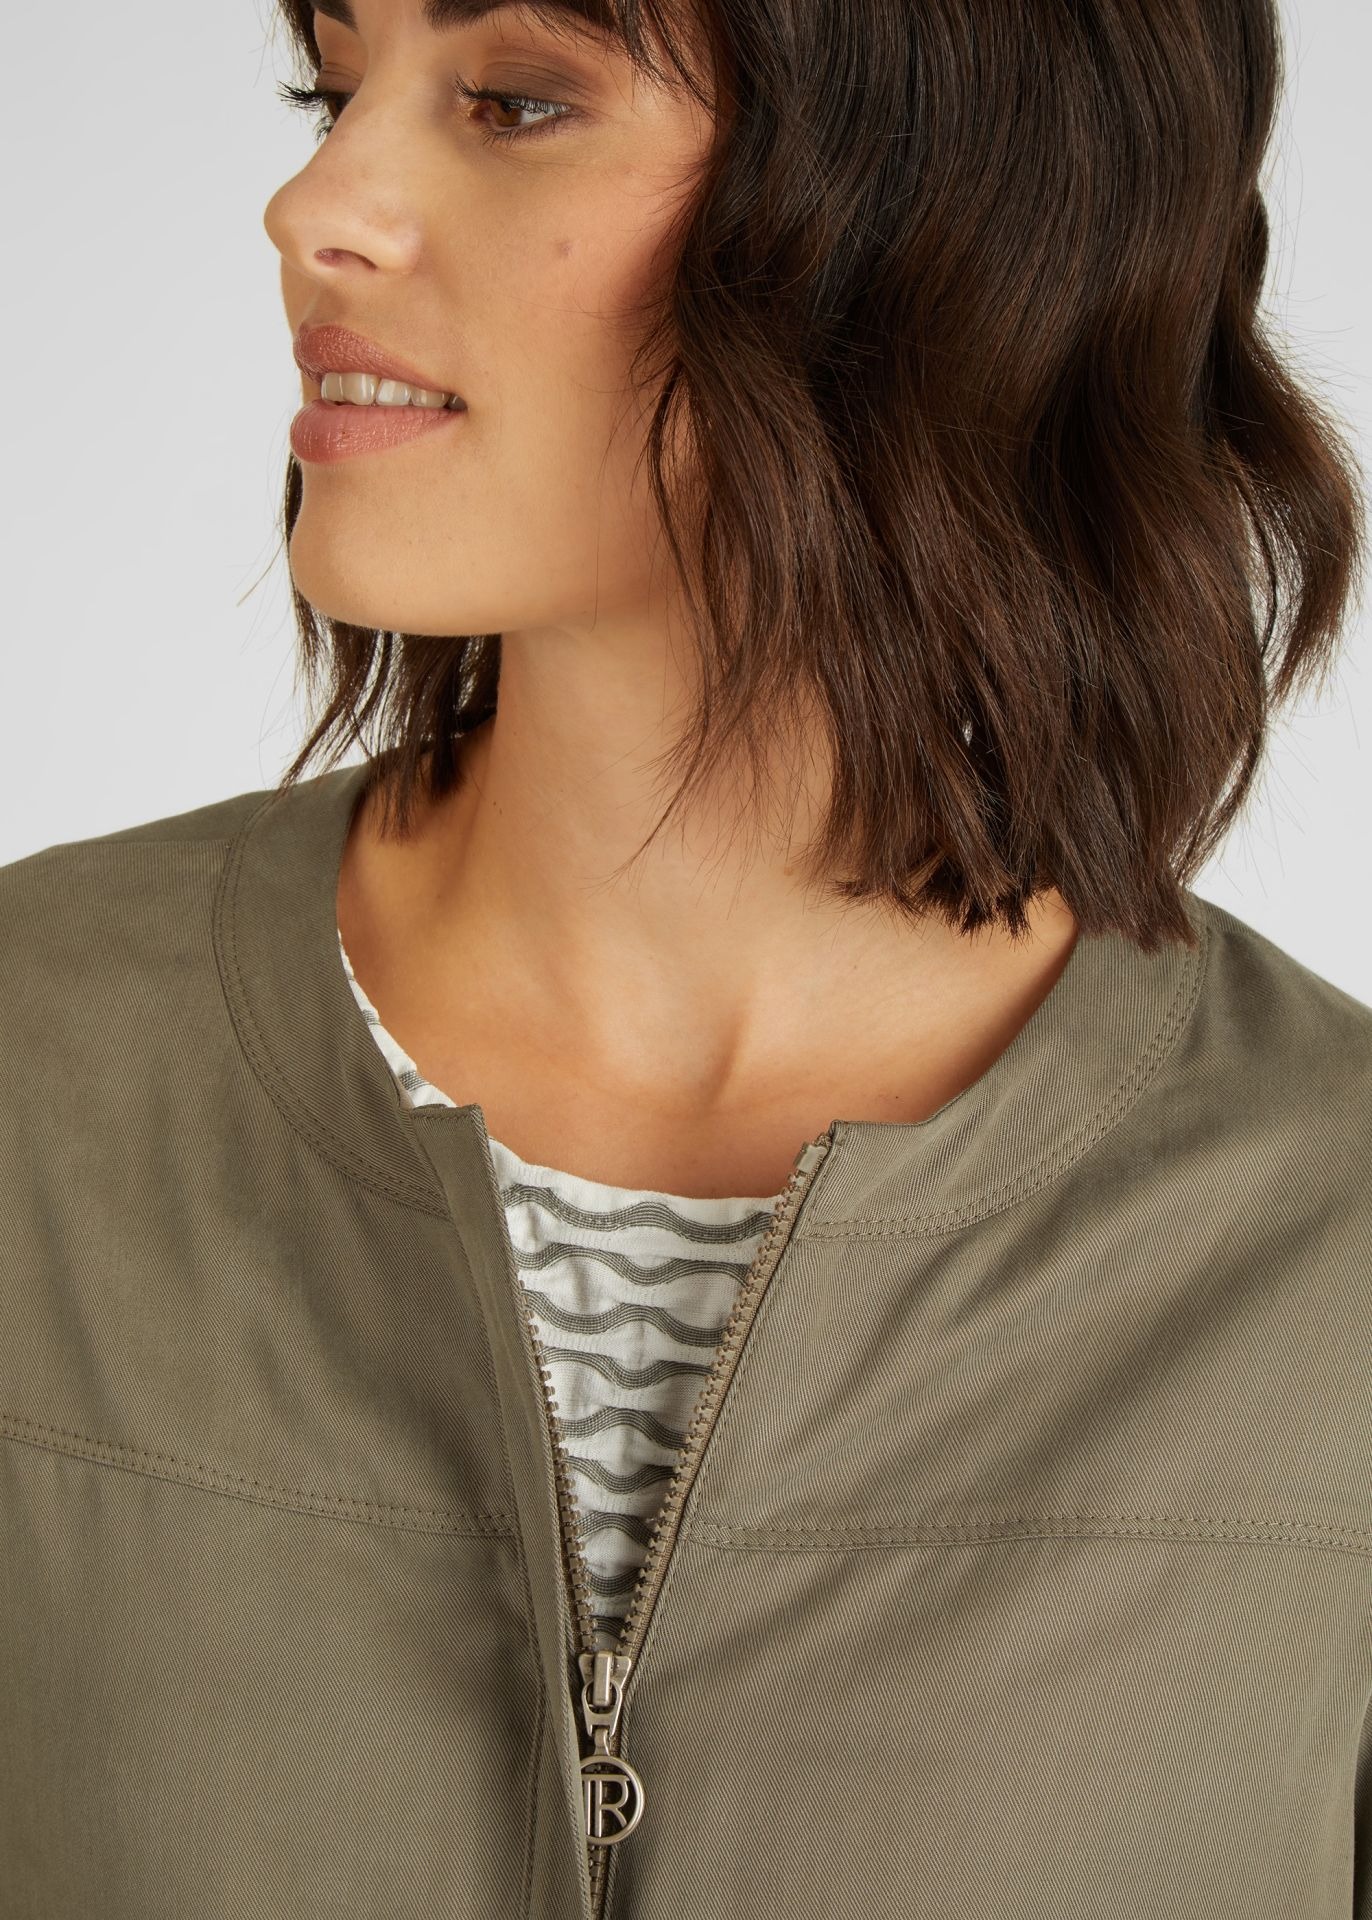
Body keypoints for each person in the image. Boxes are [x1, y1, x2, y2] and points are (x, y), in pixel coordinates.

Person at [2, 0, 1369, 1913]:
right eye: (337, 86)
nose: (312, 206)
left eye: (514, 101)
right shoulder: (33, 1079)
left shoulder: (1333, 1250)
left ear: (949, 208)